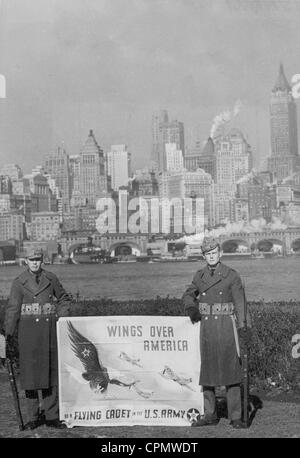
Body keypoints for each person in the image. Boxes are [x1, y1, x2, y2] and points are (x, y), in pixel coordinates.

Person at [182, 236, 252, 428]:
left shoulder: (231, 275)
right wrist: (191, 308)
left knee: (232, 372)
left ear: (220, 254)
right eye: (207, 254)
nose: (211, 256)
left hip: (226, 327)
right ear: (203, 256)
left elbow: (240, 304)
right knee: (208, 371)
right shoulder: (199, 276)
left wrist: (243, 327)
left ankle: (236, 416)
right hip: (207, 328)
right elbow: (188, 293)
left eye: (214, 253)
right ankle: (210, 414)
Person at [4, 249, 72, 430]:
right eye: (31, 260)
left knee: (51, 375)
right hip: (28, 334)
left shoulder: (51, 278)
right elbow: (12, 309)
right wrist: (7, 335)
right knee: (30, 377)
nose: (35, 263)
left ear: (42, 261)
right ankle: (33, 417)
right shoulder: (19, 282)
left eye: (38, 260)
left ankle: (51, 416)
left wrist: (61, 316)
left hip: (49, 332)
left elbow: (64, 298)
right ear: (25, 261)